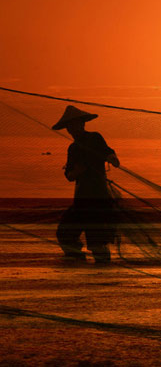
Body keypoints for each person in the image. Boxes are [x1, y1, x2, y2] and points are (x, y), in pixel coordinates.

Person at [52, 105, 120, 264]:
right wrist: (77, 172)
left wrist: (112, 158)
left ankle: (102, 271)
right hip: (81, 200)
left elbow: (107, 151)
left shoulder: (94, 138)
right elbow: (69, 176)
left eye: (75, 124)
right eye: (70, 126)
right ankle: (78, 262)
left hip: (98, 200)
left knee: (97, 241)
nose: (72, 129)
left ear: (82, 124)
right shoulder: (73, 148)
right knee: (64, 234)